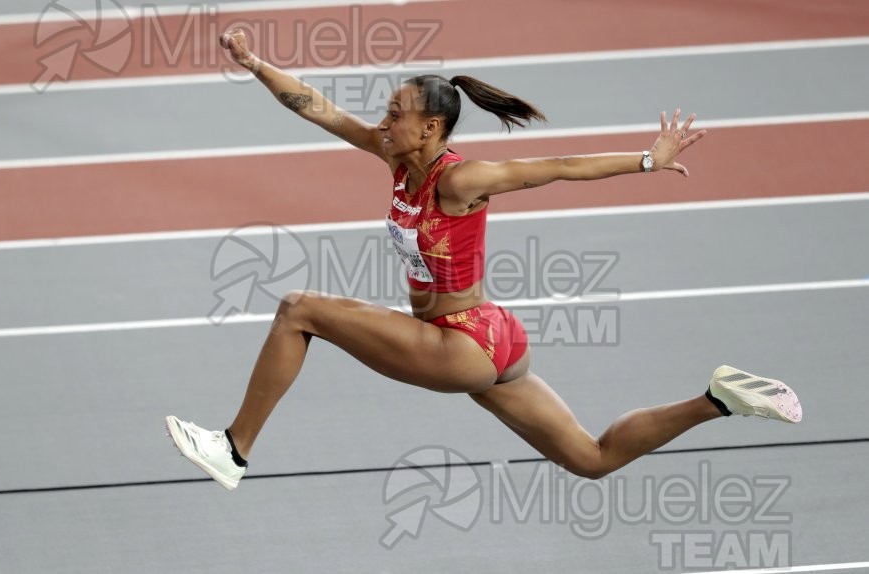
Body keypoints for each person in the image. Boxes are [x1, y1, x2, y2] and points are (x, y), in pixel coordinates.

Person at [166, 29, 802, 491]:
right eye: (386, 112)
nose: (383, 121)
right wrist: (253, 63)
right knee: (592, 457)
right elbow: (316, 107)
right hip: (495, 336)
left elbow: (555, 169)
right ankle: (718, 400)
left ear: (433, 130)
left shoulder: (460, 180)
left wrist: (646, 160)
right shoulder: (393, 156)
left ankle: (234, 448)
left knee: (299, 310)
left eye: (397, 114)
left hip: (459, 344)